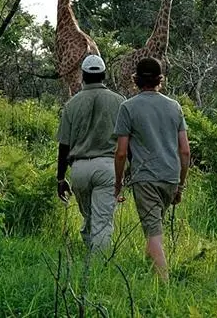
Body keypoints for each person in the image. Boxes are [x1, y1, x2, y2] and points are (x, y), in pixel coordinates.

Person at [113, 57, 191, 281]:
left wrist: (118, 184)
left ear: (135, 80)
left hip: (145, 179)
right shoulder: (174, 106)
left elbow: (121, 152)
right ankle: (150, 274)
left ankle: (164, 286)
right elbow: (185, 151)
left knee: (153, 234)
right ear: (160, 80)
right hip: (170, 177)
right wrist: (180, 185)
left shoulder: (128, 107)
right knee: (153, 230)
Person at [56, 54, 126, 251]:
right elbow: (127, 142)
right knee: (102, 222)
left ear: (83, 76)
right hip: (107, 167)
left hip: (79, 169)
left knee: (90, 217)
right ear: (104, 75)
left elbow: (64, 145)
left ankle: (88, 260)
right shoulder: (119, 101)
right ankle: (98, 270)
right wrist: (127, 172)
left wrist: (60, 178)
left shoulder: (71, 104)